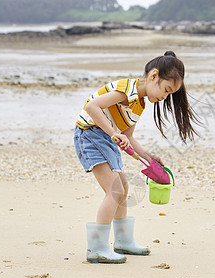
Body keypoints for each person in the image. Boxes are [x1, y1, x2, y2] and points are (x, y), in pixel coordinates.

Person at [74, 51, 200, 264]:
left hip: (105, 137)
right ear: (153, 76)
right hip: (90, 135)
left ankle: (123, 241)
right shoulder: (127, 90)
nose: (165, 97)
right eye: (166, 90)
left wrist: (147, 156)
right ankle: (96, 248)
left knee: (123, 189)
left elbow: (129, 136)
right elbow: (92, 106)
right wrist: (114, 133)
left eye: (170, 94)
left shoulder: (139, 102)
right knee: (114, 191)